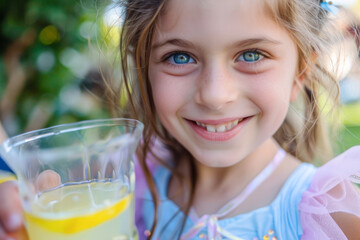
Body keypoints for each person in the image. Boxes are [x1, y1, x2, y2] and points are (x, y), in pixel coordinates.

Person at [1, 0, 360, 239]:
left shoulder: (327, 221)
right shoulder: (128, 183)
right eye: (179, 57)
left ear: (300, 73)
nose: (215, 95)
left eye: (251, 54)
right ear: (144, 66)